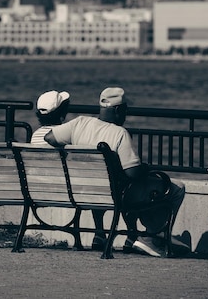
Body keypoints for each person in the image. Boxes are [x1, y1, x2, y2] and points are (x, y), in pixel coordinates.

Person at [44, 86, 186, 257]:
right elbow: (132, 173)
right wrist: (145, 168)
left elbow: (49, 137)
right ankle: (151, 237)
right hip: (116, 195)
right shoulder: (119, 133)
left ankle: (102, 234)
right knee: (175, 188)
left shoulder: (79, 123)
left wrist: (70, 151)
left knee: (117, 183)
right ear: (119, 110)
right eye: (125, 109)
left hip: (83, 191)